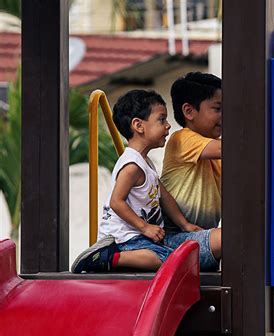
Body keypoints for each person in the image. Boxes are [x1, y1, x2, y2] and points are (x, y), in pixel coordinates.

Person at [72, 89, 220, 273]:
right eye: (161, 119)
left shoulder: (145, 163)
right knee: (166, 261)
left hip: (141, 238)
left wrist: (185, 225)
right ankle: (107, 258)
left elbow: (164, 197)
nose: (167, 126)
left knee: (171, 257)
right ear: (138, 125)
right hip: (124, 239)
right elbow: (116, 202)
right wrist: (145, 227)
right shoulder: (131, 166)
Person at [160, 72, 222, 263]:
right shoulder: (181, 139)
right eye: (218, 109)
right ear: (189, 111)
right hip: (174, 239)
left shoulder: (216, 152)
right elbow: (233, 147)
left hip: (201, 237)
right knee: (236, 237)